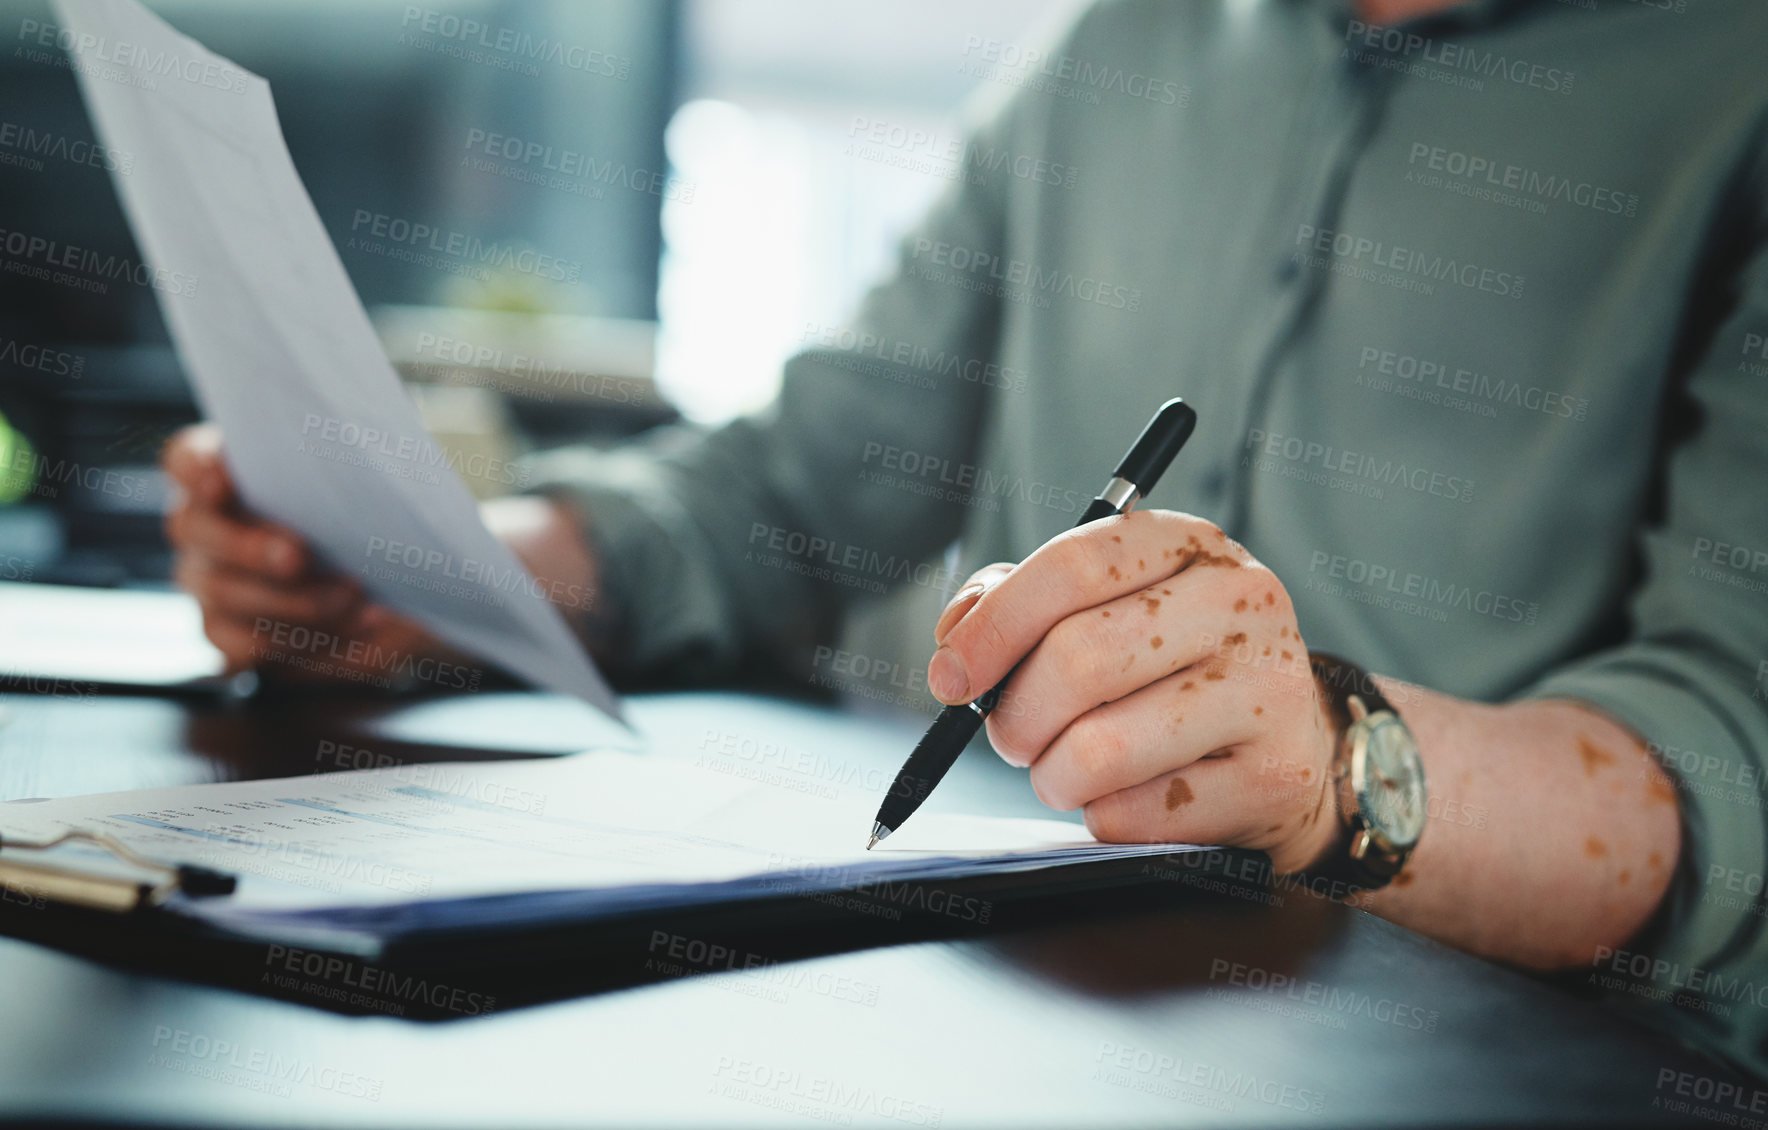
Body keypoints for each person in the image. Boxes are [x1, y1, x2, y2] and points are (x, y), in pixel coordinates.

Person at [163, 0, 1768, 1079]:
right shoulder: (1107, 47)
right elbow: (790, 491)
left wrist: (1336, 764)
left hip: (1509, 1062)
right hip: (1056, 1029)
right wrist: (431, 569)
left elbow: (1728, 754)